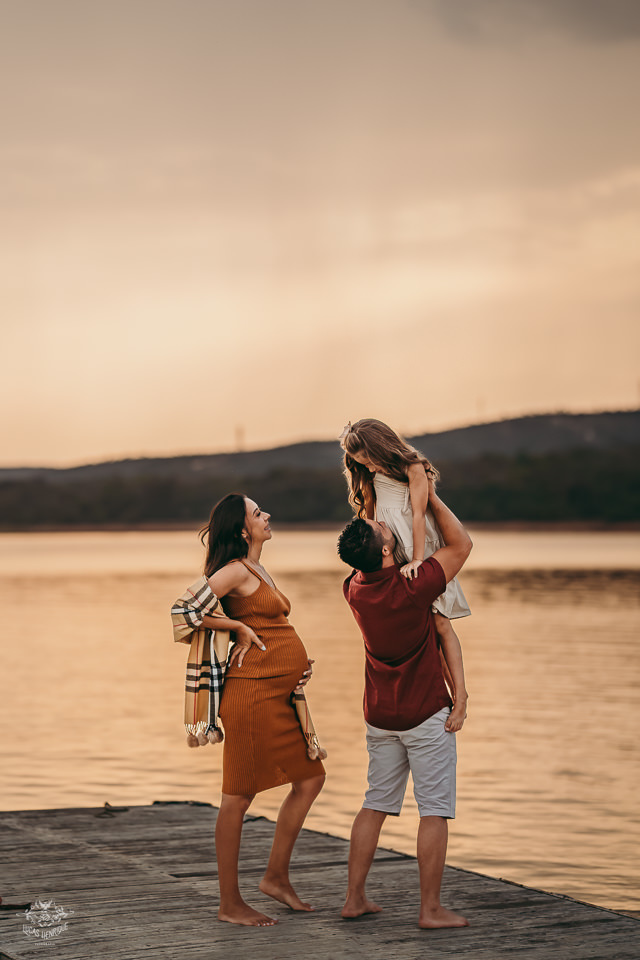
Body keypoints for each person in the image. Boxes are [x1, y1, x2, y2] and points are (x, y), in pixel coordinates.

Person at [336, 479, 472, 928]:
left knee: (375, 802)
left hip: (380, 715)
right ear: (386, 553)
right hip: (424, 713)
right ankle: (430, 909)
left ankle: (354, 898)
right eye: (382, 529)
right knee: (433, 810)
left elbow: (373, 542)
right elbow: (461, 544)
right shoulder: (414, 586)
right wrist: (427, 497)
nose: (384, 525)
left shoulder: (353, 588)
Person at [187, 493, 325, 927]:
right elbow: (185, 609)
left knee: (310, 779)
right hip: (250, 697)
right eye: (257, 512)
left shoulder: (255, 569)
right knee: (237, 797)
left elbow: (275, 627)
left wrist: (294, 667)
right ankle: (230, 903)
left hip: (277, 694)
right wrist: (236, 626)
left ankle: (275, 877)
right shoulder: (232, 571)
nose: (267, 515)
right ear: (242, 529)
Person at [340, 418, 469, 730]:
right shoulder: (369, 477)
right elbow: (369, 516)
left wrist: (415, 560)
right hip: (390, 552)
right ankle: (442, 692)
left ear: (380, 448)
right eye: (360, 463)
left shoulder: (413, 468)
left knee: (439, 623)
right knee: (421, 632)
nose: (367, 468)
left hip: (415, 547)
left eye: (368, 460)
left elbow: (419, 516)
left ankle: (461, 696)